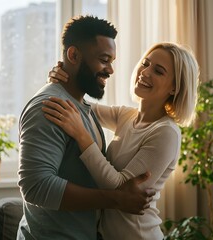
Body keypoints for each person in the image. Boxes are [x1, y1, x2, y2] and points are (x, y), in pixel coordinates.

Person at [17, 15, 156, 240]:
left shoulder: (82, 107)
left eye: (112, 61)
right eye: (103, 59)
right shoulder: (51, 107)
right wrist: (116, 199)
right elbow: (36, 186)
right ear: (73, 55)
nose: (110, 70)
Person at [43, 42, 199, 240]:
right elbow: (80, 105)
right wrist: (61, 80)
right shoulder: (127, 116)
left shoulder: (166, 133)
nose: (145, 72)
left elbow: (118, 189)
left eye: (159, 71)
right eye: (145, 63)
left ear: (175, 87)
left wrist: (81, 134)